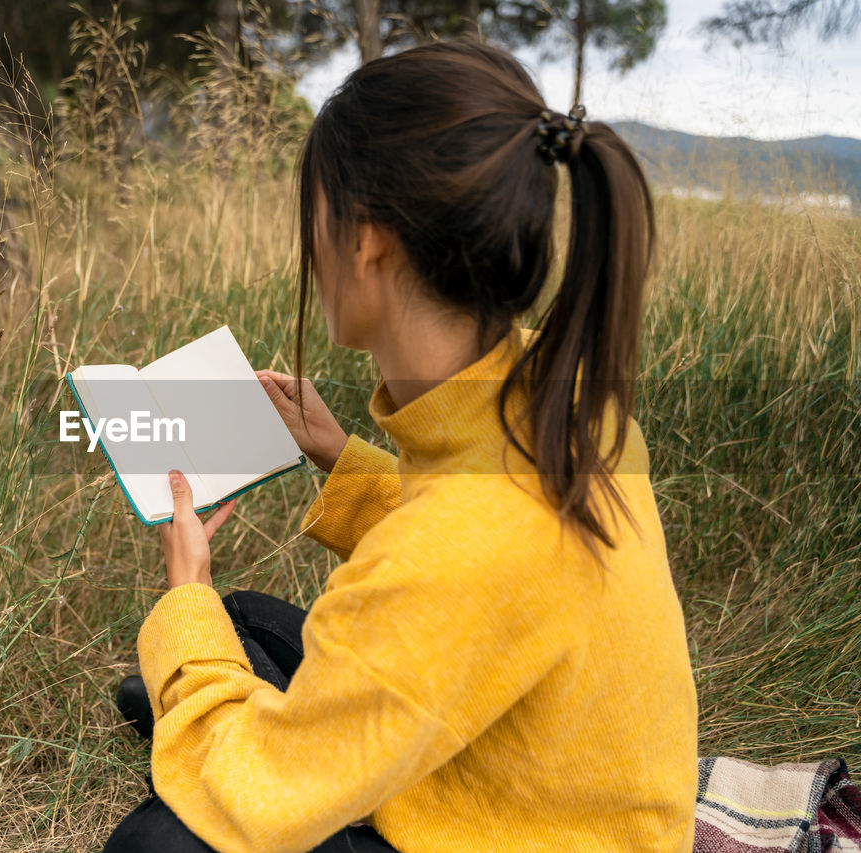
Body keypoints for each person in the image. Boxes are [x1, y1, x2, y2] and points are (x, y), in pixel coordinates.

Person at [104, 36, 699, 853]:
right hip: (546, 782)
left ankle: (202, 694)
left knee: (159, 839)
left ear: (368, 241)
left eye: (311, 214)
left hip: (522, 832)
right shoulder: (561, 390)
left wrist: (181, 599)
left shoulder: (458, 545)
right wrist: (343, 458)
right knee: (239, 622)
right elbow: (490, 565)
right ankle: (206, 684)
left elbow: (458, 558)